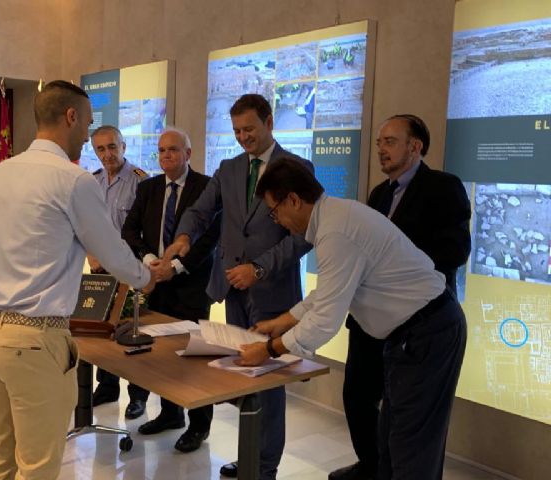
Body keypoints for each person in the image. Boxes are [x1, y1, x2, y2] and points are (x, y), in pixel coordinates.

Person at [239, 157, 467, 480]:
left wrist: (268, 350)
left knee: (412, 449)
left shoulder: (336, 231)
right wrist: (284, 321)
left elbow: (324, 321)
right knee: (391, 443)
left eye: (275, 212)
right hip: (409, 334)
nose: (278, 222)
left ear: (294, 200)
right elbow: (331, 291)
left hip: (429, 331)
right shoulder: (334, 219)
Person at [0, 80, 155, 480]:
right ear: (71, 117)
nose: (88, 136)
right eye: (87, 124)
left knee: (2, 457)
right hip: (33, 340)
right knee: (38, 467)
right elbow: (112, 253)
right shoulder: (73, 179)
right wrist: (145, 276)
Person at [165, 93, 313, 480]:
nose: (243, 137)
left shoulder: (296, 168)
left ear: (269, 122)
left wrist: (259, 269)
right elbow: (200, 210)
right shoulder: (229, 169)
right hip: (233, 290)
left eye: (249, 129)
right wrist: (184, 237)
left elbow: (303, 235)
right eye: (236, 131)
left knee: (269, 382)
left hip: (273, 293)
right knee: (244, 376)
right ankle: (249, 454)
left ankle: (263, 467)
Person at [336, 114, 471, 480]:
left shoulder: (443, 187)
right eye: (380, 142)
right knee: (358, 396)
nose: (381, 149)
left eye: (390, 142)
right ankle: (372, 466)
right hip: (372, 319)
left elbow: (455, 250)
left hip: (419, 321)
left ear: (415, 146)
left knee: (411, 421)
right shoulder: (379, 194)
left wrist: (400, 263)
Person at [122, 127, 220, 453]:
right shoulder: (148, 187)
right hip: (157, 284)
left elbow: (210, 237)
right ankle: (170, 414)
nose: (166, 155)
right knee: (162, 355)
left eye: (173, 150)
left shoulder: (206, 187)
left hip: (192, 286)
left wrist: (175, 266)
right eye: (162, 150)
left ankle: (199, 425)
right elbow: (130, 230)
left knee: (193, 358)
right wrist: (150, 260)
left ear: (188, 154)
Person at [88, 125, 149, 417]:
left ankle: (138, 395)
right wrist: (91, 253)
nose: (107, 154)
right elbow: (86, 225)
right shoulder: (92, 182)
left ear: (123, 146)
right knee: (104, 329)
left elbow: (146, 230)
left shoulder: (141, 181)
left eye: (112, 147)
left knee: (134, 328)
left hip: (130, 267)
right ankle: (107, 386)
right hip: (101, 267)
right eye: (100, 149)